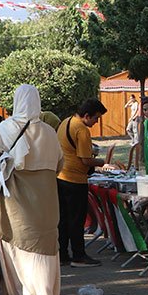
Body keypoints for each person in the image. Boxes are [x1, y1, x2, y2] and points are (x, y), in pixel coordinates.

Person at [0, 86, 63, 295]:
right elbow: (59, 165)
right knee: (43, 254)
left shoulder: (6, 128)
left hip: (15, 208)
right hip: (46, 206)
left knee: (17, 253)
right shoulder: (49, 132)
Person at [57, 98, 107, 268]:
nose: (96, 122)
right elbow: (86, 160)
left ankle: (62, 255)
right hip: (75, 180)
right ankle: (79, 256)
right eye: (96, 118)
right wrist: (102, 162)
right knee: (76, 220)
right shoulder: (82, 129)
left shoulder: (66, 122)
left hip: (61, 177)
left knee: (63, 219)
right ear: (87, 116)